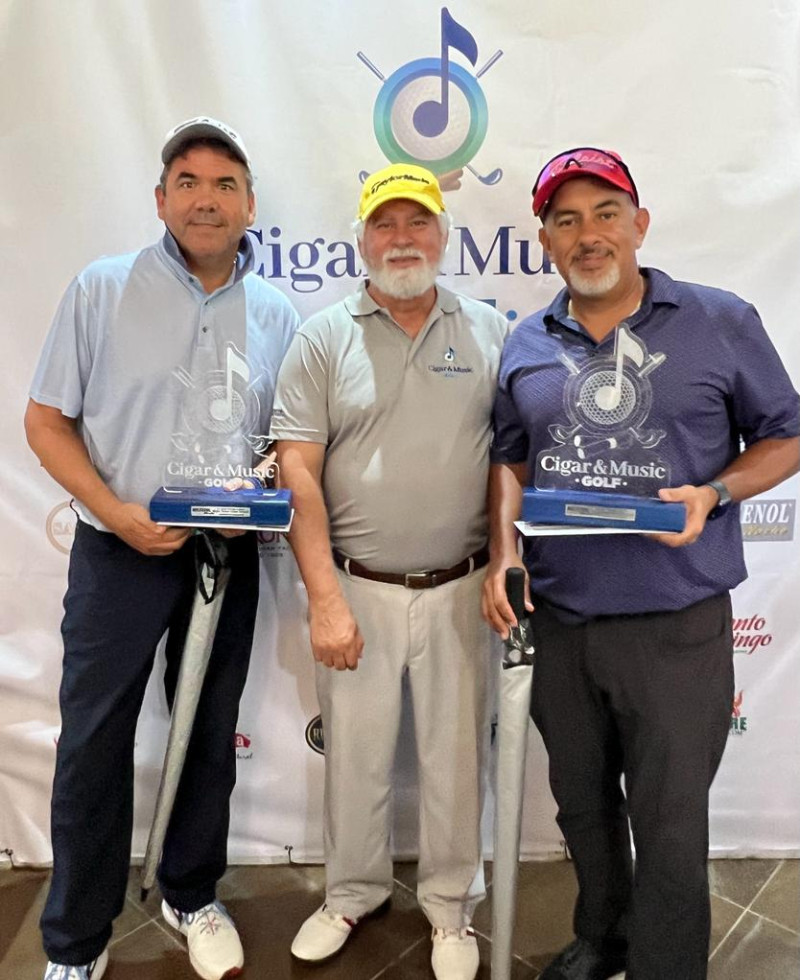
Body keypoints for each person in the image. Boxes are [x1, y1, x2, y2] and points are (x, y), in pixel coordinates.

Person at [482, 146, 800, 980]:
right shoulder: (524, 342)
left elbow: (785, 436)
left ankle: (664, 966)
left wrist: (716, 495)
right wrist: (502, 553)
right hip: (560, 621)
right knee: (582, 809)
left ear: (640, 224)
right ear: (545, 240)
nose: (589, 235)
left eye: (606, 213)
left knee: (667, 823)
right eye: (566, 219)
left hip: (675, 625)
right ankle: (604, 938)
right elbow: (511, 461)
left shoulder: (717, 320)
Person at [25, 116, 299, 980]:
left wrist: (253, 501)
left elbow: (283, 444)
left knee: (210, 732)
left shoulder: (280, 312)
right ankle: (75, 938)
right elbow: (45, 420)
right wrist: (117, 509)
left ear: (249, 204)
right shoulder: (101, 289)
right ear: (160, 199)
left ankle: (190, 891)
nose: (206, 198)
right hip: (119, 554)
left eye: (225, 184)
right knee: (94, 743)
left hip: (226, 557)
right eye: (188, 181)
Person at [269, 163, 507, 980]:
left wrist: (507, 566)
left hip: (462, 589)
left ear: (444, 237)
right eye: (385, 225)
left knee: (455, 763)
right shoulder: (324, 335)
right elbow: (296, 468)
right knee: (359, 762)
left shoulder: (488, 331)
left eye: (418, 224)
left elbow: (508, 461)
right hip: (358, 588)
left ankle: (450, 910)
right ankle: (352, 893)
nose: (401, 239)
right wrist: (325, 598)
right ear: (362, 239)